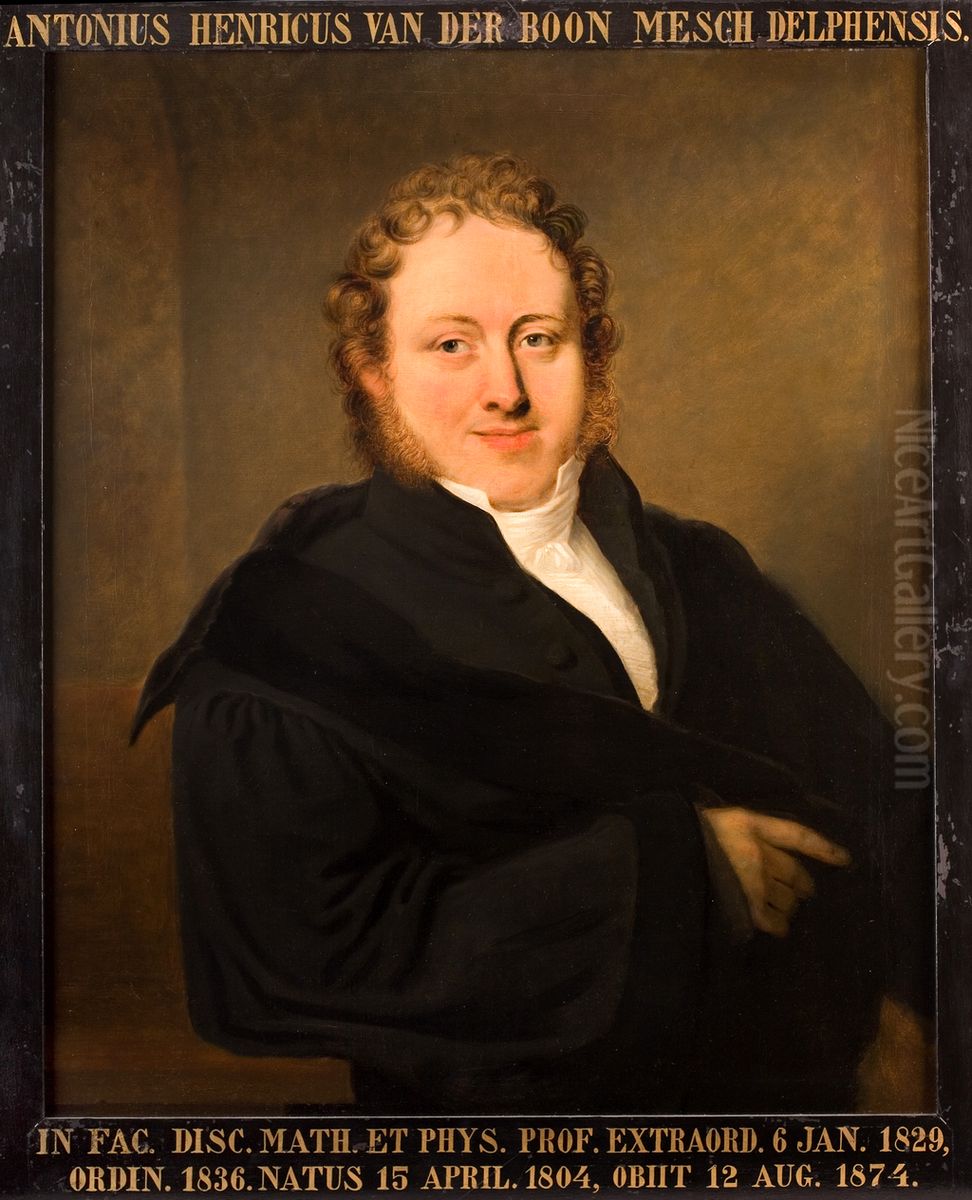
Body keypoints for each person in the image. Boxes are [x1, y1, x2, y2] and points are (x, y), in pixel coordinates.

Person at [133, 153, 931, 1114]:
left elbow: (896, 805)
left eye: (539, 339)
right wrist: (683, 873)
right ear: (373, 371)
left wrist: (910, 1019)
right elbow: (281, 964)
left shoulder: (701, 569)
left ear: (591, 353)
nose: (505, 390)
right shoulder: (288, 620)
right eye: (452, 346)